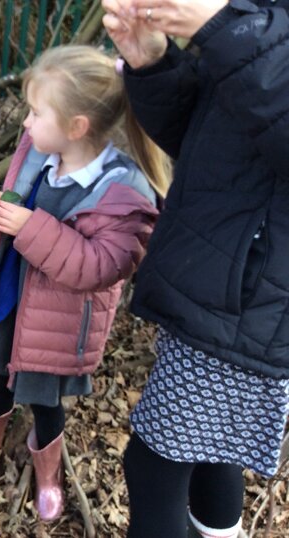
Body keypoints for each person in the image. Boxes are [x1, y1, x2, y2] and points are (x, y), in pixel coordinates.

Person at [0, 44, 170, 521]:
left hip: (57, 325)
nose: (26, 123)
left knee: (45, 402)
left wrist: (29, 226)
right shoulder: (39, 156)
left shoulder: (121, 190)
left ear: (77, 127)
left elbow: (100, 266)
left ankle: (48, 474)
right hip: (12, 301)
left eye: (35, 112)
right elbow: (14, 227)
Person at [102, 1, 289, 537]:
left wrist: (225, 26)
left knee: (153, 466)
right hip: (223, 281)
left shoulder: (246, 20)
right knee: (210, 453)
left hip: (252, 300)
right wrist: (153, 63)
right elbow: (206, 137)